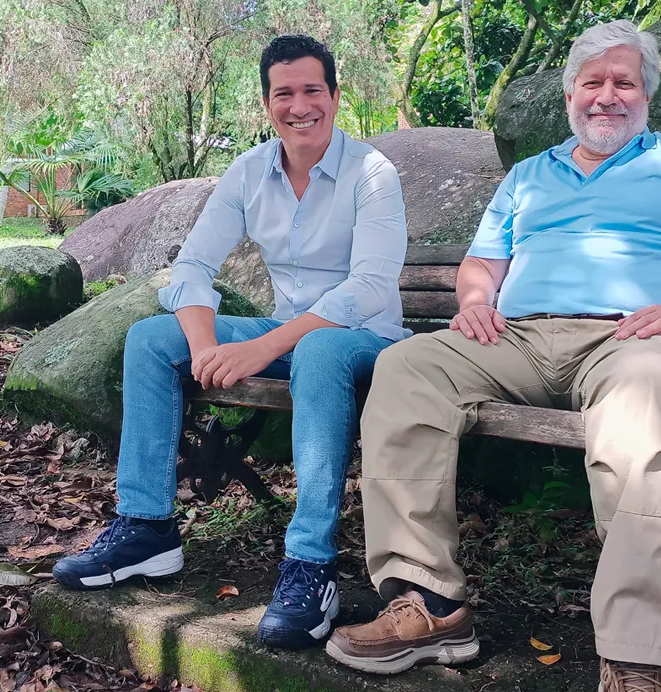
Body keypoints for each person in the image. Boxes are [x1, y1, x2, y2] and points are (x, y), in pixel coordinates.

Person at [325, 19, 661, 692]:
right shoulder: (531, 175)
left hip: (632, 343)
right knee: (409, 367)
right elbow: (480, 264)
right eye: (593, 82)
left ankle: (633, 660)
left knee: (649, 405)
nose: (607, 96)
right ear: (569, 97)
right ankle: (430, 606)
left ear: (646, 96)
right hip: (518, 339)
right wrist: (474, 297)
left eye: (624, 82)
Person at [52, 34, 410, 651]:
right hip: (285, 334)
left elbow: (370, 288)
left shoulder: (371, 174)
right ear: (267, 103)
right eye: (284, 94)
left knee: (321, 350)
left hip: (363, 341)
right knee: (150, 337)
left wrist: (262, 349)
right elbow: (192, 267)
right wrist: (200, 344)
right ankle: (147, 529)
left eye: (312, 91)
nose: (300, 106)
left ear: (335, 96)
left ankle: (310, 565)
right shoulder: (250, 172)